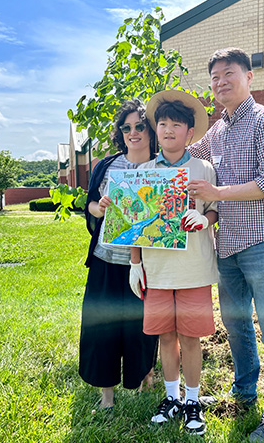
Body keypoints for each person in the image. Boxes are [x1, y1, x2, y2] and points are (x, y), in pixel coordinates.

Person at [187, 48, 264, 442]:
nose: (220, 82)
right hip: (227, 246)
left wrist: (216, 191)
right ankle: (244, 393)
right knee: (236, 327)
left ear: (249, 77)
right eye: (214, 77)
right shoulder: (215, 130)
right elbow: (181, 160)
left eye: (228, 74)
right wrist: (133, 165)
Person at [128, 90, 217, 435]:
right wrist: (136, 264)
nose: (167, 130)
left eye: (176, 124)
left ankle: (192, 400)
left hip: (194, 267)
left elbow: (214, 209)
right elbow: (132, 226)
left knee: (191, 337)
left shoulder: (203, 168)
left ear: (189, 133)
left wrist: (204, 218)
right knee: (165, 335)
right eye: (162, 123)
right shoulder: (144, 172)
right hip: (158, 269)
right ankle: (171, 397)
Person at [79, 99, 159, 410]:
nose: (133, 132)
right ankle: (106, 398)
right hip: (106, 261)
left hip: (147, 265)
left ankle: (142, 382)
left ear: (150, 130)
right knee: (101, 329)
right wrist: (98, 208)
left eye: (140, 126)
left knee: (141, 330)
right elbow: (88, 205)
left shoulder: (163, 167)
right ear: (120, 133)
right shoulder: (106, 166)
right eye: (126, 128)